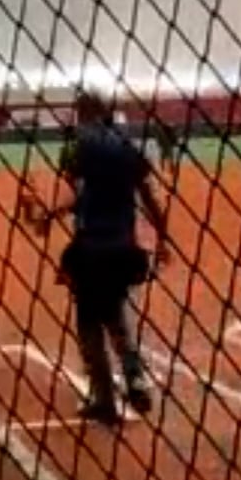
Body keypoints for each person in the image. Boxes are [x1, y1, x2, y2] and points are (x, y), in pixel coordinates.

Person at [28, 91, 170, 426]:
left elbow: (80, 194)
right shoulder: (127, 145)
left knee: (89, 324)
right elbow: (149, 197)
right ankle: (135, 377)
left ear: (82, 113)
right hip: (123, 248)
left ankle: (105, 399)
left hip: (91, 249)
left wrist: (47, 215)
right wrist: (163, 239)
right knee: (117, 314)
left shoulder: (78, 146)